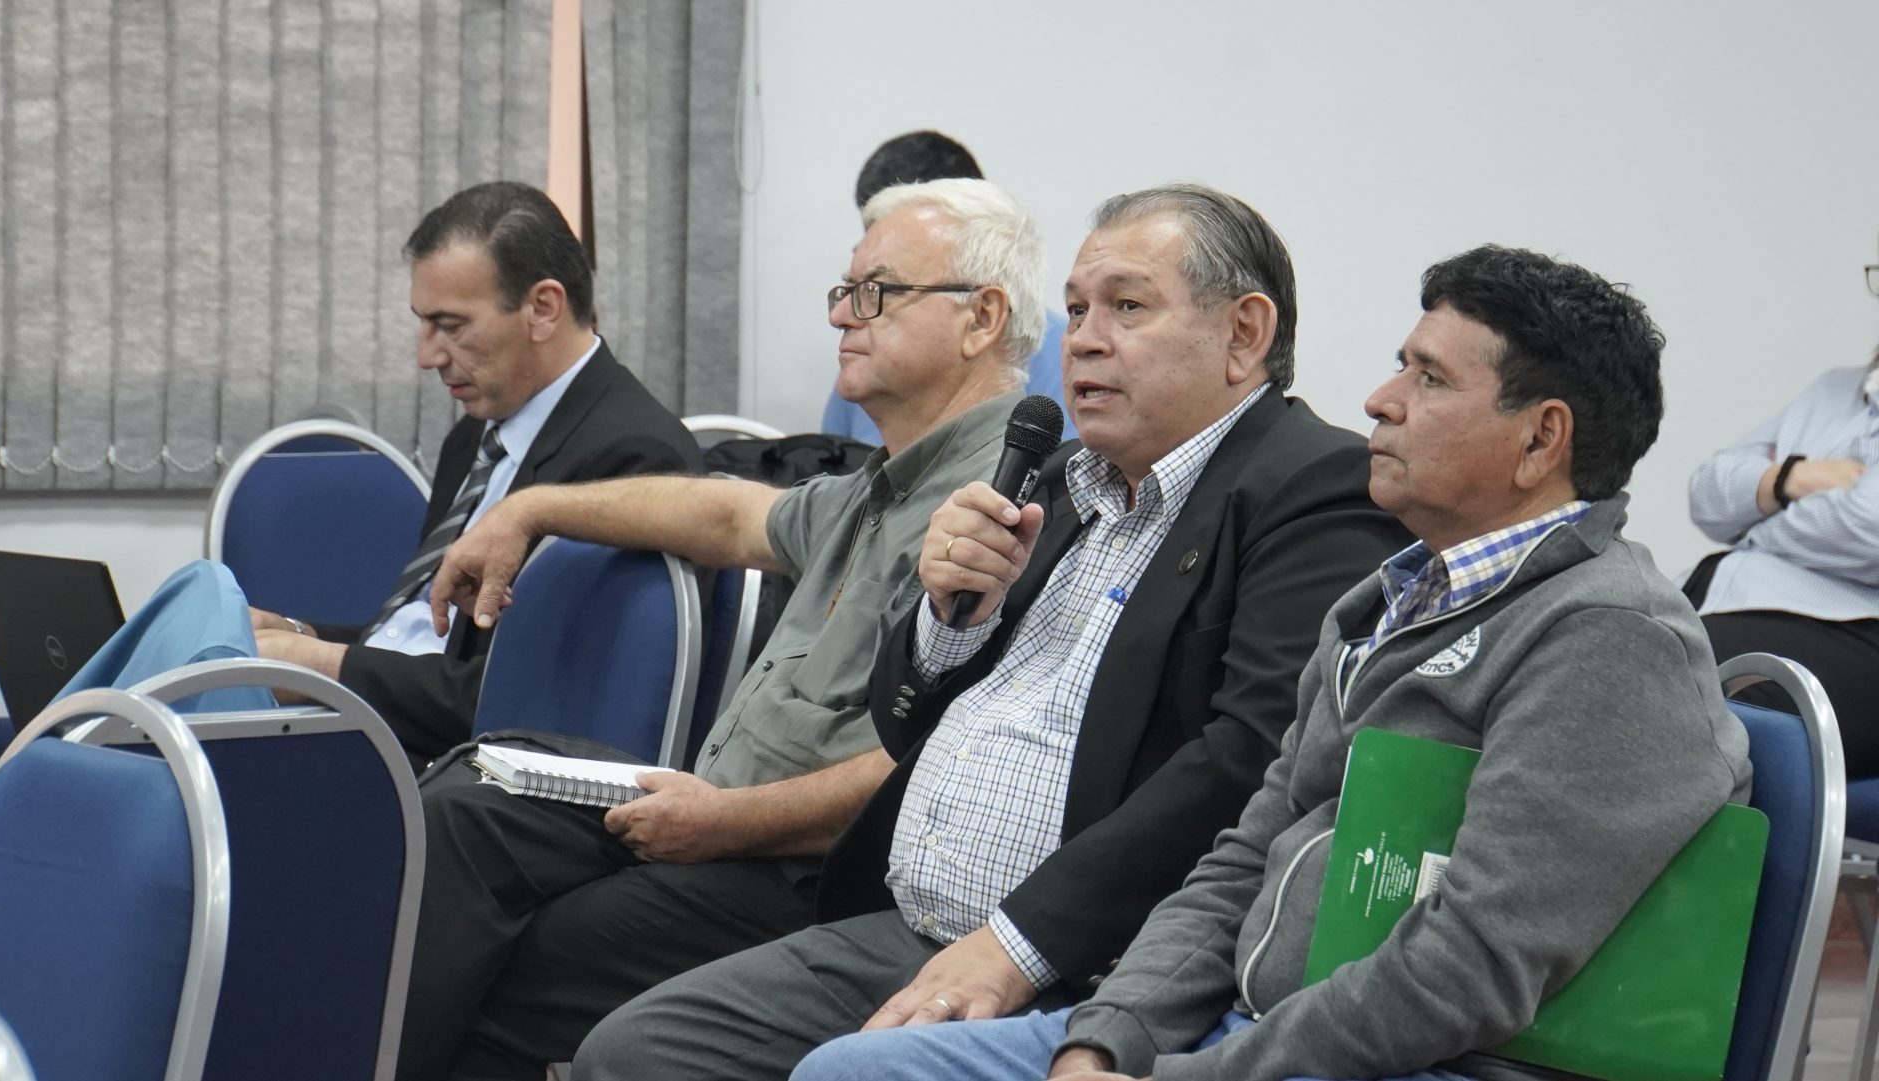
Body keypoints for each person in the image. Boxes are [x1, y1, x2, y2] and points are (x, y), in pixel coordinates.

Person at [783, 245, 1752, 1081]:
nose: (1380, 400)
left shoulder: (1607, 639)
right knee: (849, 1070)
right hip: (1250, 1029)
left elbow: (1469, 969)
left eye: (1429, 379)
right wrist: (1106, 1042)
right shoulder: (1388, 600)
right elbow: (1243, 858)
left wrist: (1199, 1071)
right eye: (1401, 366)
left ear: (1541, 438)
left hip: (1426, 1058)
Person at [572, 184, 1411, 1081]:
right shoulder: (1060, 479)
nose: (1084, 339)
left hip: (1091, 961)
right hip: (906, 918)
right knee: (632, 1052)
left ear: (1244, 333)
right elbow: (902, 720)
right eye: (1077, 310)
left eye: (1128, 307)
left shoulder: (1314, 487)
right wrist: (947, 615)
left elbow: (1252, 758)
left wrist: (1020, 943)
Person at [391, 177, 1046, 1081]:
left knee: (530, 949)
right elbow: (727, 515)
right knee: (467, 806)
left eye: (876, 293)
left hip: (801, 866)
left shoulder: (1009, 511)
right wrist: (532, 508)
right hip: (714, 806)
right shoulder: (884, 484)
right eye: (844, 292)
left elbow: (937, 766)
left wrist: (726, 822)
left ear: (981, 318)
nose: (842, 316)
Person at [251, 181, 701, 762]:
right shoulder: (475, 437)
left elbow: (533, 706)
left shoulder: (632, 463)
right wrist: (297, 635)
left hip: (468, 772)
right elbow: (431, 640)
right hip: (402, 736)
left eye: (452, 325)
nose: (428, 356)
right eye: (424, 323)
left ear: (543, 308)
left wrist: (319, 668)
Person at [1684, 259, 1879, 774]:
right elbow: (1707, 491)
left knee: (1659, 689)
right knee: (1581, 647)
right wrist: (1792, 478)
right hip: (1722, 600)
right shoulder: (1834, 390)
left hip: (1854, 631)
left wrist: (1757, 516)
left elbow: (1867, 527)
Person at [822, 131, 1076, 444]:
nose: (840, 317)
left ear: (982, 316)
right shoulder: (866, 365)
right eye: (853, 285)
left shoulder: (1065, 361)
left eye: (882, 285)